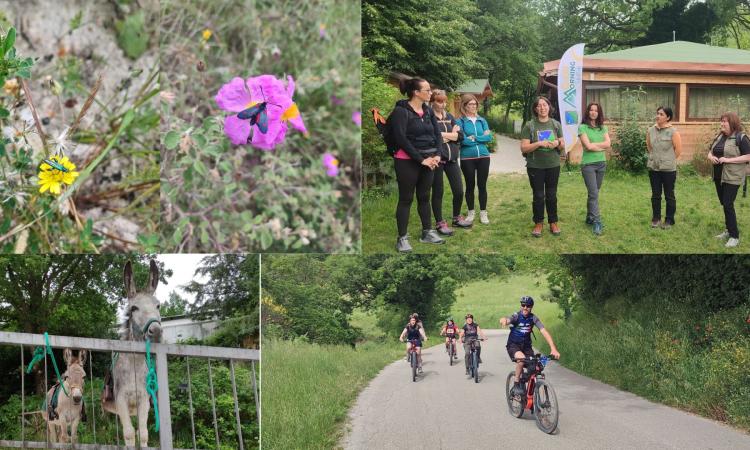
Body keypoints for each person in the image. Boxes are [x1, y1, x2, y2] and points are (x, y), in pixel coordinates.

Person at [390, 78, 445, 252]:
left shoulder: (427, 111)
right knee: (406, 199)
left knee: (424, 197)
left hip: (429, 161)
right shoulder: (401, 111)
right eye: (427, 90)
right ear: (416, 92)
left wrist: (437, 154)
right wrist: (421, 160)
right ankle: (402, 238)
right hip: (407, 161)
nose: (431, 93)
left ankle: (427, 232)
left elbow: (437, 134)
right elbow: (401, 139)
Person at [520, 97, 565, 237]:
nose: (542, 108)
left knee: (551, 195)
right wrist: (539, 144)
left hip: (553, 165)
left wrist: (557, 143)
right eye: (539, 106)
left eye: (544, 105)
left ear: (549, 107)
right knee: (538, 196)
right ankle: (538, 223)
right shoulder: (530, 126)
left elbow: (563, 143)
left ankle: (553, 222)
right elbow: (524, 148)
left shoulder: (556, 124)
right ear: (535, 109)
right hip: (535, 166)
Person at [500, 296, 560, 397]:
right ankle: (516, 384)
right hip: (514, 345)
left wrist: (553, 348)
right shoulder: (516, 316)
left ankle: (525, 384)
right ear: (521, 305)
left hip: (527, 347)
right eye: (523, 305)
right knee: (522, 359)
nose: (525, 307)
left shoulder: (533, 318)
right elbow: (507, 319)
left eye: (528, 306)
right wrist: (504, 320)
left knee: (536, 367)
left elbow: (544, 331)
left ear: (531, 307)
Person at [707, 112, 750, 248]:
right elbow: (710, 151)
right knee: (724, 203)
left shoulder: (741, 138)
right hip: (719, 176)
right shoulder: (719, 137)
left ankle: (734, 236)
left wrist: (728, 160)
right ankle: (728, 229)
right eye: (721, 121)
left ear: (732, 123)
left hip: (732, 176)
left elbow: (748, 156)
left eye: (724, 122)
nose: (722, 124)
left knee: (727, 203)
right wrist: (710, 157)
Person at [431, 90, 471, 231]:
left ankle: (456, 218)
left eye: (444, 101)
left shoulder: (449, 116)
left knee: (459, 191)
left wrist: (444, 136)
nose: (443, 104)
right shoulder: (429, 117)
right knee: (438, 192)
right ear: (432, 102)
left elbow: (460, 136)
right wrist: (451, 134)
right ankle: (440, 222)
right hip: (437, 160)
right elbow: (431, 137)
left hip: (452, 159)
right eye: (439, 101)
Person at [456, 95, 492, 225]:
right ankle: (471, 212)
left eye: (475, 104)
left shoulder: (482, 120)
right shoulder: (460, 121)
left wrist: (474, 138)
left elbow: (489, 138)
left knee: (482, 185)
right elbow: (462, 140)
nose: (473, 106)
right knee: (470, 185)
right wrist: (480, 137)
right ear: (465, 106)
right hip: (467, 157)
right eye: (470, 104)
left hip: (483, 156)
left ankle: (483, 212)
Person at [646, 106, 682, 229]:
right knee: (655, 194)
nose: (658, 116)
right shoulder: (650, 130)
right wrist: (655, 158)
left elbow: (678, 150)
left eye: (661, 114)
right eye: (657, 113)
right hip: (654, 168)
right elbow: (649, 146)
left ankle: (669, 220)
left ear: (668, 117)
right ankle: (656, 218)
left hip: (668, 169)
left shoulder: (673, 132)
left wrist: (668, 160)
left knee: (669, 195)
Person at [577, 103, 610, 236]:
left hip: (602, 164)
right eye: (591, 110)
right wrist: (600, 147)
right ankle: (597, 221)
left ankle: (589, 217)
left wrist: (594, 145)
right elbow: (587, 147)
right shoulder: (582, 127)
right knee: (594, 193)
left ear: (599, 113)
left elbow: (608, 144)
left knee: (594, 193)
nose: (593, 112)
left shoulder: (603, 128)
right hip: (588, 165)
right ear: (588, 112)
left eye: (596, 110)